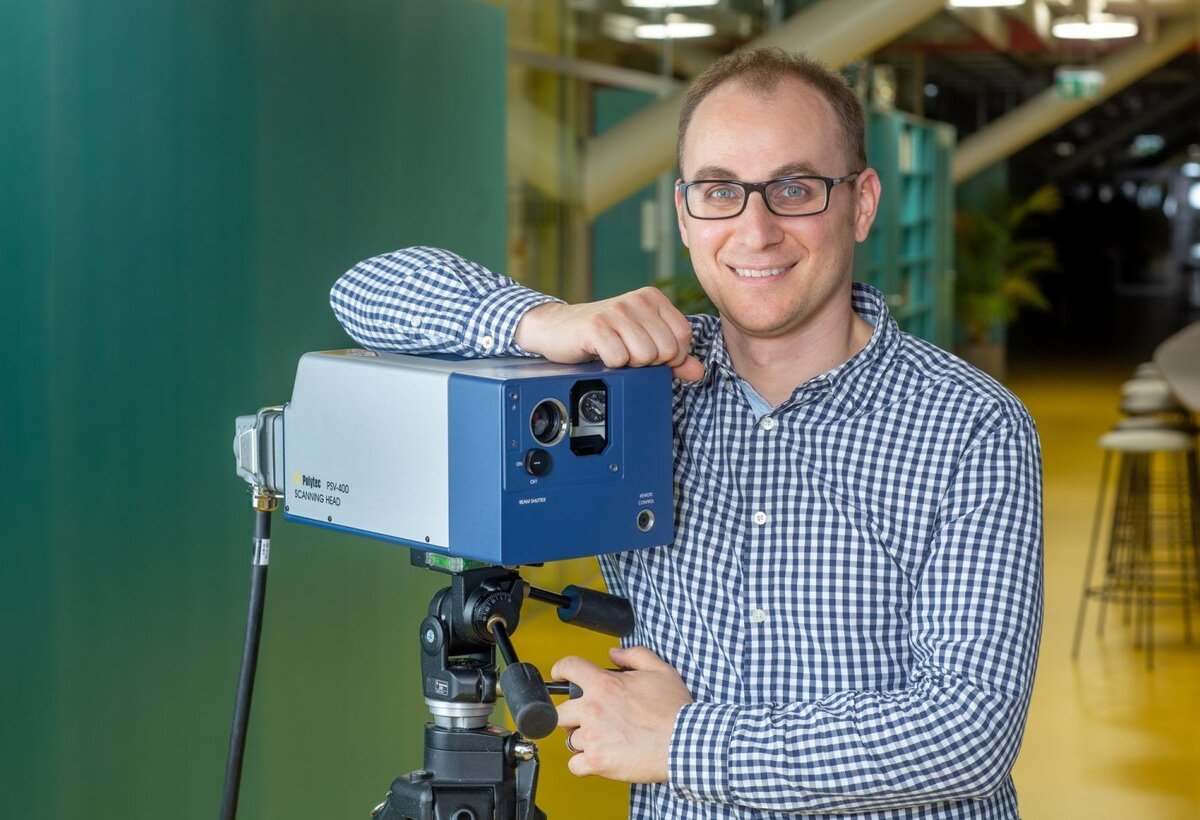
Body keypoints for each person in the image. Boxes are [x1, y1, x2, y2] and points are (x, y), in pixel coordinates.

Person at [330, 47, 1043, 820]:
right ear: (684, 212)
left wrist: (684, 743)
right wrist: (546, 320)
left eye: (795, 189)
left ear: (861, 203)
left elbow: (971, 731)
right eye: (719, 191)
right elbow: (363, 291)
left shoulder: (973, 425)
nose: (755, 229)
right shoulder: (640, 388)